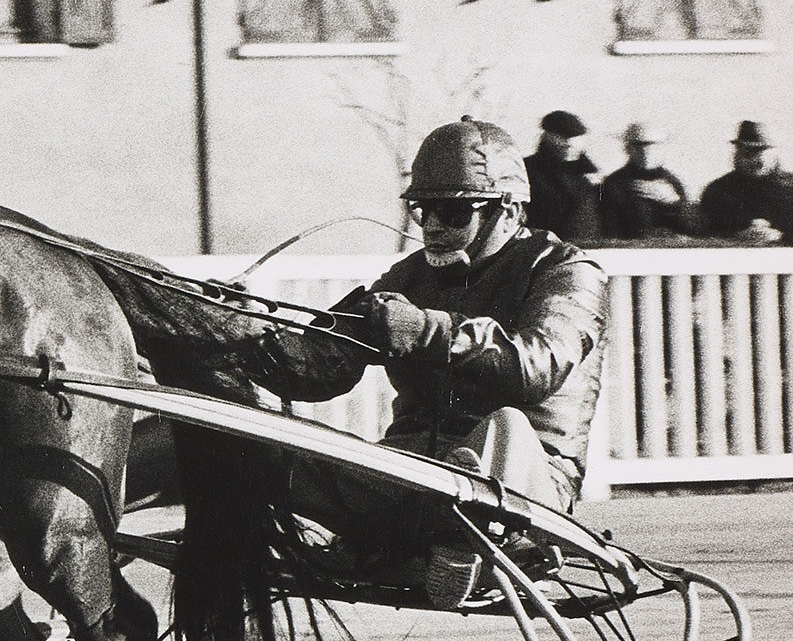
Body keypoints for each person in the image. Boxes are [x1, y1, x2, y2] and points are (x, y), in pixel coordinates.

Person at [245, 117, 610, 608]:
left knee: (503, 427)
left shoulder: (565, 270)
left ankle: (470, 535)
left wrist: (427, 331)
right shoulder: (407, 277)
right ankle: (443, 529)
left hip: (528, 485)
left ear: (508, 211)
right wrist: (242, 335)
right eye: (423, 210)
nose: (433, 226)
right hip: (413, 476)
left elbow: (539, 366)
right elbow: (316, 369)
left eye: (453, 212)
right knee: (252, 449)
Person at [698, 122, 793, 247]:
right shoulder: (718, 191)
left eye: (759, 151)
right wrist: (736, 240)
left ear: (773, 154)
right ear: (736, 154)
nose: (753, 159)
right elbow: (700, 239)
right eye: (747, 153)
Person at [598, 123, 697, 241]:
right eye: (638, 146)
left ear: (661, 148)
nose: (645, 151)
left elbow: (693, 230)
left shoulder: (673, 182)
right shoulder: (614, 184)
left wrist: (673, 203)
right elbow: (609, 231)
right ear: (627, 149)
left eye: (651, 145)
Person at [523, 109, 605, 245]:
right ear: (547, 137)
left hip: (588, 250)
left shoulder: (593, 177)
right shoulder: (528, 170)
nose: (568, 143)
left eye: (573, 138)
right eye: (562, 137)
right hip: (543, 250)